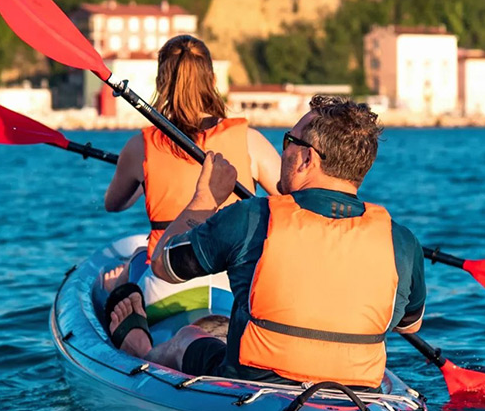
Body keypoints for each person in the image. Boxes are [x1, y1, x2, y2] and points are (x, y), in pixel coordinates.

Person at [105, 95, 426, 390]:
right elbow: (410, 325)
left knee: (187, 338)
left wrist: (206, 199)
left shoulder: (254, 217)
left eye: (288, 142)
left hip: (254, 381)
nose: (282, 150)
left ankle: (139, 347)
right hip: (359, 390)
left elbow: (163, 266)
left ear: (306, 159)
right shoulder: (402, 241)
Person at [103, 34, 283, 264]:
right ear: (213, 80)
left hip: (168, 273)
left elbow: (113, 204)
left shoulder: (139, 148)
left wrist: (143, 182)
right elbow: (292, 201)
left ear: (161, 83)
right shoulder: (250, 141)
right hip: (233, 274)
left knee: (133, 261)